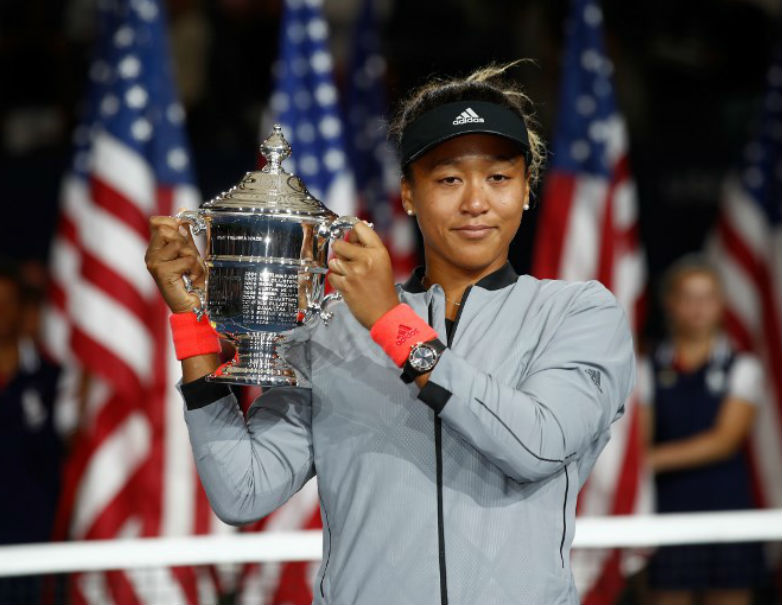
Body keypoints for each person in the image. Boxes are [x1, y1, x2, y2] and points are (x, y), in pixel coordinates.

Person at [146, 63, 636, 605]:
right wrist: (192, 324)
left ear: (525, 191)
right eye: (448, 179)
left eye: (499, 177)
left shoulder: (579, 314)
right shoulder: (331, 332)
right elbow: (243, 491)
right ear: (408, 194)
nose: (476, 201)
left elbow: (537, 447)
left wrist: (390, 324)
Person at [639, 255, 765, 605]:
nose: (698, 307)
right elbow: (639, 435)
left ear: (721, 303)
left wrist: (646, 462)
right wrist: (640, 462)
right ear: (670, 303)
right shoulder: (646, 367)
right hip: (666, 506)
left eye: (707, 297)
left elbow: (724, 442)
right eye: (688, 297)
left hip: (728, 507)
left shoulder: (743, 366)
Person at [0, 260, 64, 604]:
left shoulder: (53, 376)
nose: (0, 311)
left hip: (37, 544)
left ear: (22, 308)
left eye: (8, 301)